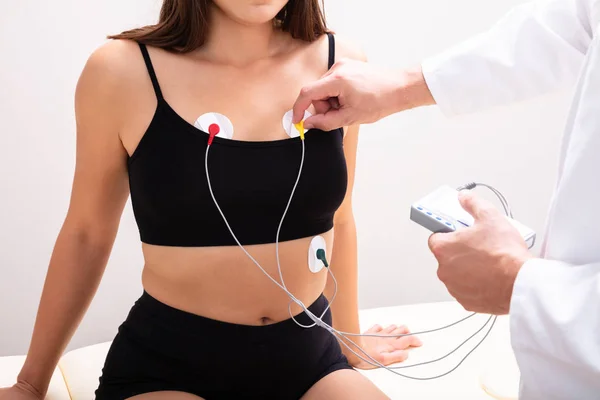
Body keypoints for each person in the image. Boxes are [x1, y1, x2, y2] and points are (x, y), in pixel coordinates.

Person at [0, 1, 424, 399]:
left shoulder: (339, 63)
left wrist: (349, 341)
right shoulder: (122, 71)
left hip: (309, 356)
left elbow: (340, 217)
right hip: (169, 365)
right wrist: (30, 385)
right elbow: (86, 234)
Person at [292, 0, 600, 398]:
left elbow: (339, 215)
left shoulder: (334, 55)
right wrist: (406, 85)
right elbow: (569, 24)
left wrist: (519, 283)